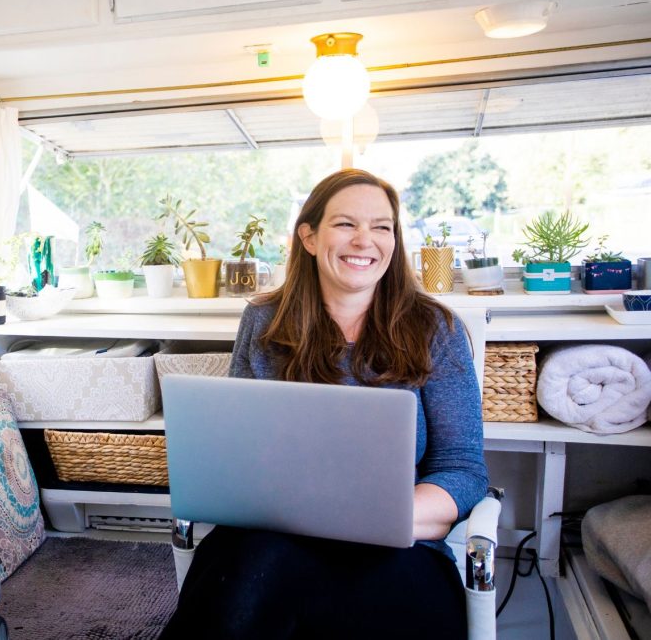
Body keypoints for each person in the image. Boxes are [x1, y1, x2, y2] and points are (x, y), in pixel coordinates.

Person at [159, 169, 488, 639]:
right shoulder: (263, 321)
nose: (365, 241)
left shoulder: (436, 329)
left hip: (396, 546)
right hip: (270, 537)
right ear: (309, 237)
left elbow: (463, 470)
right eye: (345, 224)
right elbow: (238, 449)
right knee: (241, 594)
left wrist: (378, 519)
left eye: (381, 227)